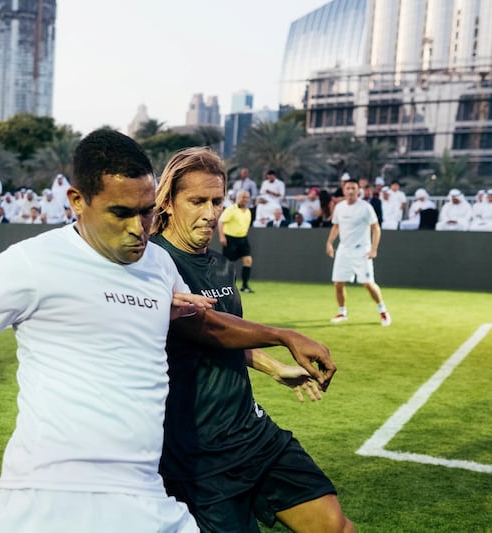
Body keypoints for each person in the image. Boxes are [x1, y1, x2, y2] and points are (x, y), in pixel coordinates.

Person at [0, 129, 335, 531]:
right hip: (53, 498)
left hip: (148, 495)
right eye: (121, 213)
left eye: (148, 212)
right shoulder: (32, 263)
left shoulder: (156, 263)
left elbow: (201, 324)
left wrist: (280, 335)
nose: (138, 228)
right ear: (77, 201)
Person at [151, 146, 354, 532]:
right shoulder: (155, 264)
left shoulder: (217, 266)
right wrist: (283, 336)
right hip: (199, 454)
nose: (211, 213)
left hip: (251, 430)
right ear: (169, 202)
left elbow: (225, 340)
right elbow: (204, 327)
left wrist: (273, 367)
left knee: (336, 527)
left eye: (217, 201)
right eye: (197, 201)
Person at [325, 178, 391, 326]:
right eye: (348, 188)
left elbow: (376, 228)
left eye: (353, 188)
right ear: (344, 190)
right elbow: (336, 226)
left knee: (368, 283)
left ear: (358, 191)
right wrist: (329, 243)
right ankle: (342, 312)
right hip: (343, 250)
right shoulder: (340, 207)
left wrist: (373, 249)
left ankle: (383, 311)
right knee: (338, 283)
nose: (350, 191)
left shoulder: (366, 207)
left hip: (362, 251)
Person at [219, 190, 255, 293]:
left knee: (248, 260)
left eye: (247, 197)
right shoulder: (231, 209)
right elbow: (221, 222)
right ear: (237, 197)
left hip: (243, 239)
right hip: (230, 239)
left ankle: (245, 286)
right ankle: (226, 286)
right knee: (228, 264)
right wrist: (222, 236)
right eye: (243, 197)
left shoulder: (248, 211)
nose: (245, 199)